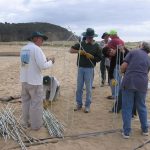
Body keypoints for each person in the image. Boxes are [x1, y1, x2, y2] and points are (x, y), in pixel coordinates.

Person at [20, 31, 55, 130]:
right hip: (34, 82)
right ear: (35, 38)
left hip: (24, 80)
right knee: (36, 104)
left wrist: (45, 60)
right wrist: (51, 62)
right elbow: (43, 66)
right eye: (41, 39)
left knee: (26, 102)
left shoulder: (24, 48)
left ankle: (25, 123)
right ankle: (36, 126)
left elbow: (26, 63)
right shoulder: (37, 49)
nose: (42, 41)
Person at [121, 42, 150, 139]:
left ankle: (126, 132)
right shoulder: (148, 58)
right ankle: (145, 129)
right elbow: (146, 71)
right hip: (142, 83)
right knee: (141, 106)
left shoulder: (133, 52)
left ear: (141, 46)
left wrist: (121, 72)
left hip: (129, 81)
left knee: (127, 107)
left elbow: (124, 66)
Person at [69, 28, 101, 113]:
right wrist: (79, 51)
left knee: (88, 88)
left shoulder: (96, 46)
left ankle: (87, 106)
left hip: (90, 69)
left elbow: (100, 58)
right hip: (80, 68)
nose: (90, 38)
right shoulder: (81, 44)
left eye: (91, 37)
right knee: (79, 87)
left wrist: (92, 57)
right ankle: (79, 104)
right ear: (86, 36)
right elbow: (70, 50)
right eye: (88, 37)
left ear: (93, 37)